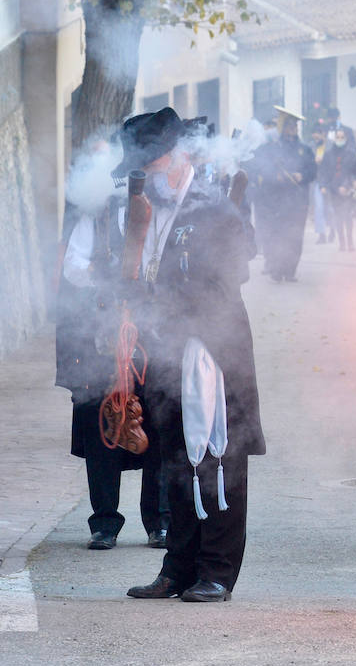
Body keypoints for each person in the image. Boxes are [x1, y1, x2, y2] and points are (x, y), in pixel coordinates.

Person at [105, 108, 265, 603]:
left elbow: (229, 279)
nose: (145, 178)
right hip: (165, 351)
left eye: (149, 168)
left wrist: (170, 304)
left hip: (213, 350)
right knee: (173, 458)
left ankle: (217, 569)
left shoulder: (215, 207)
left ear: (173, 158)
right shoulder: (141, 209)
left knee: (219, 457)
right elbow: (127, 280)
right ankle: (178, 566)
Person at [57, 179, 170, 551]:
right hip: (101, 333)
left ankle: (161, 520)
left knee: (158, 424)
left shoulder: (162, 210)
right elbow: (73, 266)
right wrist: (106, 280)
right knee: (101, 425)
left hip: (152, 336)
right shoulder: (97, 213)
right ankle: (104, 523)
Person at [247, 106, 316, 282]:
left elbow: (313, 171)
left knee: (294, 236)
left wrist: (302, 176)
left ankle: (290, 270)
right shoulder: (268, 149)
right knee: (275, 234)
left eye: (295, 126)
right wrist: (273, 177)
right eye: (289, 126)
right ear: (282, 128)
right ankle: (276, 269)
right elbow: (256, 168)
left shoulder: (304, 149)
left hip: (297, 201)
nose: (293, 129)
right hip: (275, 200)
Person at [318, 128, 356, 252]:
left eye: (342, 137)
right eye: (337, 137)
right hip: (334, 188)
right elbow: (323, 172)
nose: (339, 140)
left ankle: (350, 241)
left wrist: (347, 185)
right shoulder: (329, 154)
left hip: (347, 189)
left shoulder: (351, 154)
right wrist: (323, 185)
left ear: (345, 139)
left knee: (347, 215)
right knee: (338, 216)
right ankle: (342, 242)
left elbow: (353, 171)